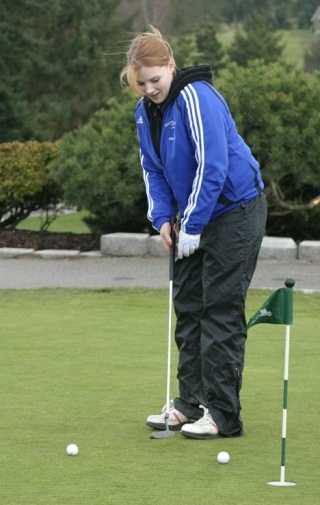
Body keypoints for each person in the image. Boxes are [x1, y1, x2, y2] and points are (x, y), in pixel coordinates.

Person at [120, 27, 267, 439]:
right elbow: (154, 169)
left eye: (156, 79)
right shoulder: (143, 112)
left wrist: (195, 224)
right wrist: (164, 219)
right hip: (191, 218)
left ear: (170, 65)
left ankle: (223, 414)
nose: (150, 89)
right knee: (188, 306)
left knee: (219, 309)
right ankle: (190, 403)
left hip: (235, 212)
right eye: (141, 82)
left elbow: (212, 166)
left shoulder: (195, 97)